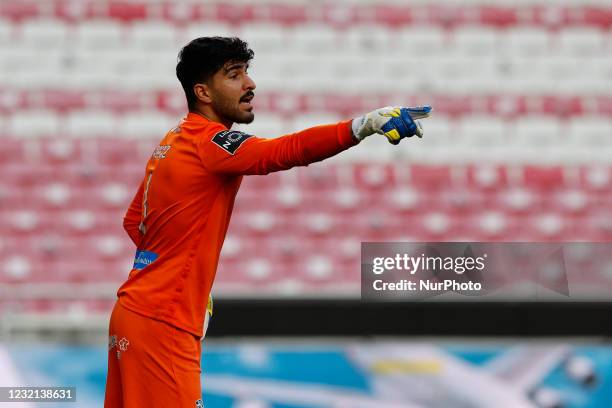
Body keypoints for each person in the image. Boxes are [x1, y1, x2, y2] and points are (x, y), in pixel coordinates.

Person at [104, 36, 431, 407]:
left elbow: (135, 222)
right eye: (234, 75)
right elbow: (283, 151)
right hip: (163, 321)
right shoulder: (211, 143)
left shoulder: (174, 140)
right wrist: (362, 126)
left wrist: (187, 284)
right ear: (203, 92)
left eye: (246, 72)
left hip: (135, 313)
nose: (250, 84)